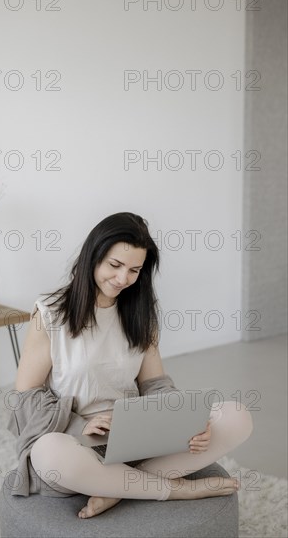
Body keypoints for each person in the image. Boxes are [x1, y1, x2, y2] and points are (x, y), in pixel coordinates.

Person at [14, 212, 253, 519]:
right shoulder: (49, 312)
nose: (123, 278)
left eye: (134, 270)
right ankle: (174, 489)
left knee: (236, 416)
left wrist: (188, 424)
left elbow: (156, 385)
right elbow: (27, 396)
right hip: (76, 439)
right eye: (115, 265)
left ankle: (116, 488)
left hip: (136, 438)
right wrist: (79, 424)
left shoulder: (140, 313)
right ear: (93, 256)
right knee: (49, 454)